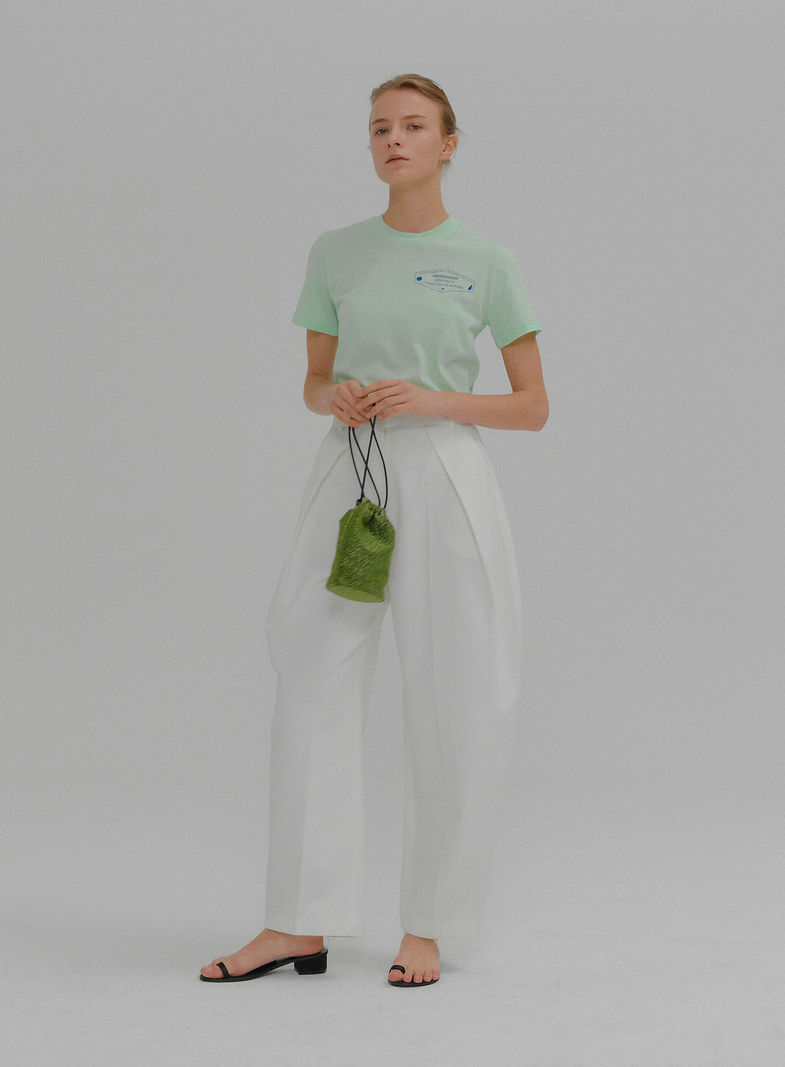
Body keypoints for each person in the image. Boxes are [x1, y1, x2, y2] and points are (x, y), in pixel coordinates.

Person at [200, 73, 548, 988]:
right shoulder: (336, 252)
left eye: (414, 126)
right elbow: (312, 381)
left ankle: (428, 923)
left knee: (454, 690)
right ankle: (296, 922)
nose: (394, 139)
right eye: (380, 127)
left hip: (445, 471)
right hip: (350, 470)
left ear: (448, 144)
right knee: (310, 678)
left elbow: (533, 406)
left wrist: (430, 398)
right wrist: (338, 397)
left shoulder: (486, 260)